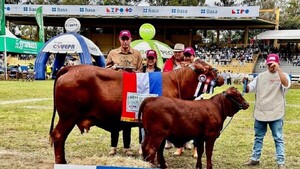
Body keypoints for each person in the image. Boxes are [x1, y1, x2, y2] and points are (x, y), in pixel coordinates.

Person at [243, 54, 291, 169]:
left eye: (273, 64)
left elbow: (286, 84)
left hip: (276, 112)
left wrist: (278, 70)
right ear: (266, 64)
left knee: (278, 138)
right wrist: (245, 83)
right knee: (258, 137)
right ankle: (255, 158)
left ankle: (281, 161)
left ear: (278, 63)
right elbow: (249, 89)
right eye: (269, 64)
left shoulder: (283, 76)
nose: (271, 66)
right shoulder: (260, 76)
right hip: (261, 112)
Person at [106, 30, 143, 156]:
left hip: (130, 89)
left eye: (127, 39)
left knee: (127, 119)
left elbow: (140, 72)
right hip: (115, 89)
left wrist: (132, 73)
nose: (125, 41)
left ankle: (127, 147)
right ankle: (113, 146)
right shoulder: (113, 53)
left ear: (131, 39)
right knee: (114, 119)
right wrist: (114, 69)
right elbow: (106, 70)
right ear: (119, 39)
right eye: (123, 39)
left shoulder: (137, 54)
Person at [173, 47, 195, 156]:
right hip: (182, 99)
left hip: (195, 99)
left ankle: (196, 148)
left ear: (193, 56)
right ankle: (179, 147)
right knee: (180, 123)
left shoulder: (198, 67)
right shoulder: (178, 67)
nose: (187, 58)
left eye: (189, 56)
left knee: (195, 123)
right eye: (185, 56)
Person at [162, 43, 185, 149]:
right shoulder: (167, 63)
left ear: (183, 52)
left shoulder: (187, 63)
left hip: (183, 94)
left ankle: (186, 141)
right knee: (169, 117)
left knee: (183, 117)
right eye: (175, 52)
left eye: (179, 52)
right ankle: (168, 140)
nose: (177, 54)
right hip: (170, 94)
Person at [139, 50, 161, 154]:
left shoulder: (159, 71)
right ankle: (141, 144)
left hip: (154, 99)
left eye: (152, 58)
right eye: (149, 58)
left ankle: (152, 145)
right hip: (142, 98)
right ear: (146, 59)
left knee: (154, 124)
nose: (150, 60)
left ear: (155, 59)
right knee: (142, 123)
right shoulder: (141, 70)